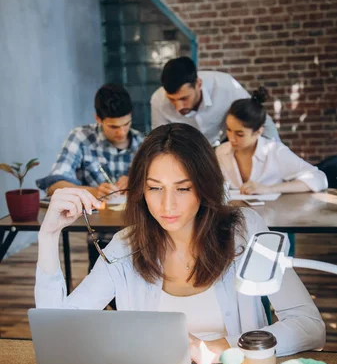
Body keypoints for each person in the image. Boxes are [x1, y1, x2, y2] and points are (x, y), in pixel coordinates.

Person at [35, 123, 325, 363]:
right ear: (141, 190)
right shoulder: (126, 247)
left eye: (183, 188)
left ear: (205, 186)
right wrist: (47, 237)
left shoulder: (244, 230)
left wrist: (216, 349)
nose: (167, 205)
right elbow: (57, 333)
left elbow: (309, 326)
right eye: (154, 188)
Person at [36, 83, 144, 270]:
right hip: (99, 237)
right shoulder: (81, 138)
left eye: (126, 124)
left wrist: (137, 182)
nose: (121, 132)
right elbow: (54, 184)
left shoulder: (143, 143)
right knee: (103, 284)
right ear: (98, 119)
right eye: (113, 126)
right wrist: (93, 191)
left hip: (139, 235)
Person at [215, 87, 328, 194]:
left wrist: (269, 189)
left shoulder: (275, 151)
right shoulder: (221, 152)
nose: (231, 138)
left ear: (258, 131)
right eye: (228, 130)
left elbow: (319, 178)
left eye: (240, 134)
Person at [150, 57, 279, 146]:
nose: (178, 107)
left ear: (198, 84)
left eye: (184, 98)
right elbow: (160, 140)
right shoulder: (158, 101)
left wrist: (277, 152)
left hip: (226, 142)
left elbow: (258, 118)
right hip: (189, 150)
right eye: (172, 99)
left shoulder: (226, 86)